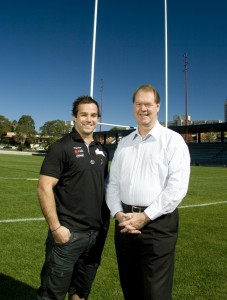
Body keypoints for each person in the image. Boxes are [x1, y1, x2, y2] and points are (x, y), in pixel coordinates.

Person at [106, 84, 190, 300]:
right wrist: (118, 214)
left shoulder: (173, 140)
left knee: (156, 292)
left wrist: (145, 217)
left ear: (157, 106)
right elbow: (112, 184)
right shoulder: (124, 143)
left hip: (158, 224)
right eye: (138, 104)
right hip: (124, 222)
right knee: (130, 287)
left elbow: (177, 188)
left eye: (148, 104)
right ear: (133, 107)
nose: (143, 109)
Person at [36, 96, 109, 300]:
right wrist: (56, 228)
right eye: (84, 114)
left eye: (93, 115)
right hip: (67, 235)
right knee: (51, 294)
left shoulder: (103, 151)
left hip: (95, 236)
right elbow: (44, 188)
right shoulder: (61, 147)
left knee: (80, 292)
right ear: (74, 117)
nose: (89, 119)